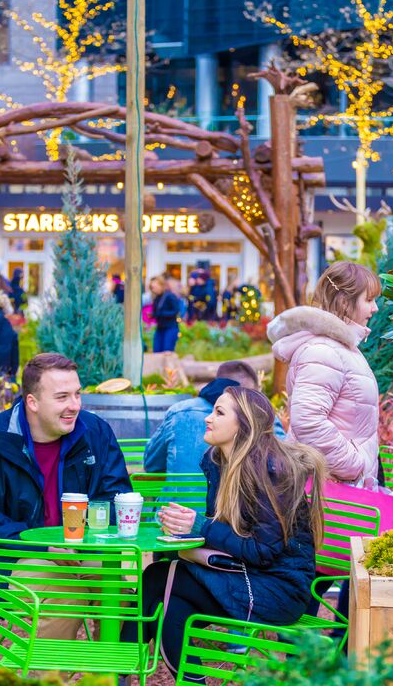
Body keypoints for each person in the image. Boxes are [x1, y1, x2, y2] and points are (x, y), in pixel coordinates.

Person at [122, 387, 326, 682]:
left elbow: (262, 551)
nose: (208, 419)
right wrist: (185, 532)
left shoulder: (270, 473)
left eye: (218, 412)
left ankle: (119, 673)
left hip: (278, 590)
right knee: (171, 606)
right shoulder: (219, 462)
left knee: (157, 578)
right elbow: (228, 531)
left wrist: (200, 527)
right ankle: (125, 674)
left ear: (244, 425)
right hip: (246, 575)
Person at [0, 353, 131, 631]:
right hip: (11, 554)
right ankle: (46, 677)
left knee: (117, 594)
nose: (75, 405)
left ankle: (112, 674)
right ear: (32, 402)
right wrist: (42, 545)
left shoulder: (95, 432)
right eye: (62, 397)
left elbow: (116, 496)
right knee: (67, 593)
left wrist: (87, 540)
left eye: (78, 394)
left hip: (85, 549)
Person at [268, 260, 381, 489]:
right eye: (368, 300)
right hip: (328, 489)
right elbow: (308, 421)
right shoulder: (323, 351)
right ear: (344, 302)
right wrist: (354, 465)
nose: (375, 308)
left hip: (338, 485)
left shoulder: (340, 348)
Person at [144, 360, 284, 474]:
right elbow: (283, 463)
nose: (208, 419)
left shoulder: (179, 412)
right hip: (230, 505)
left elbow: (151, 463)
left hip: (178, 505)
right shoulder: (264, 416)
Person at [150, 275, 183, 353]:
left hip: (170, 327)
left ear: (161, 285)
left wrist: (160, 314)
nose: (153, 289)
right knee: (157, 351)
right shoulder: (157, 297)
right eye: (151, 287)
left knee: (167, 352)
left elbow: (176, 311)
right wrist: (153, 314)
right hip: (160, 327)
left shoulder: (170, 296)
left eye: (154, 287)